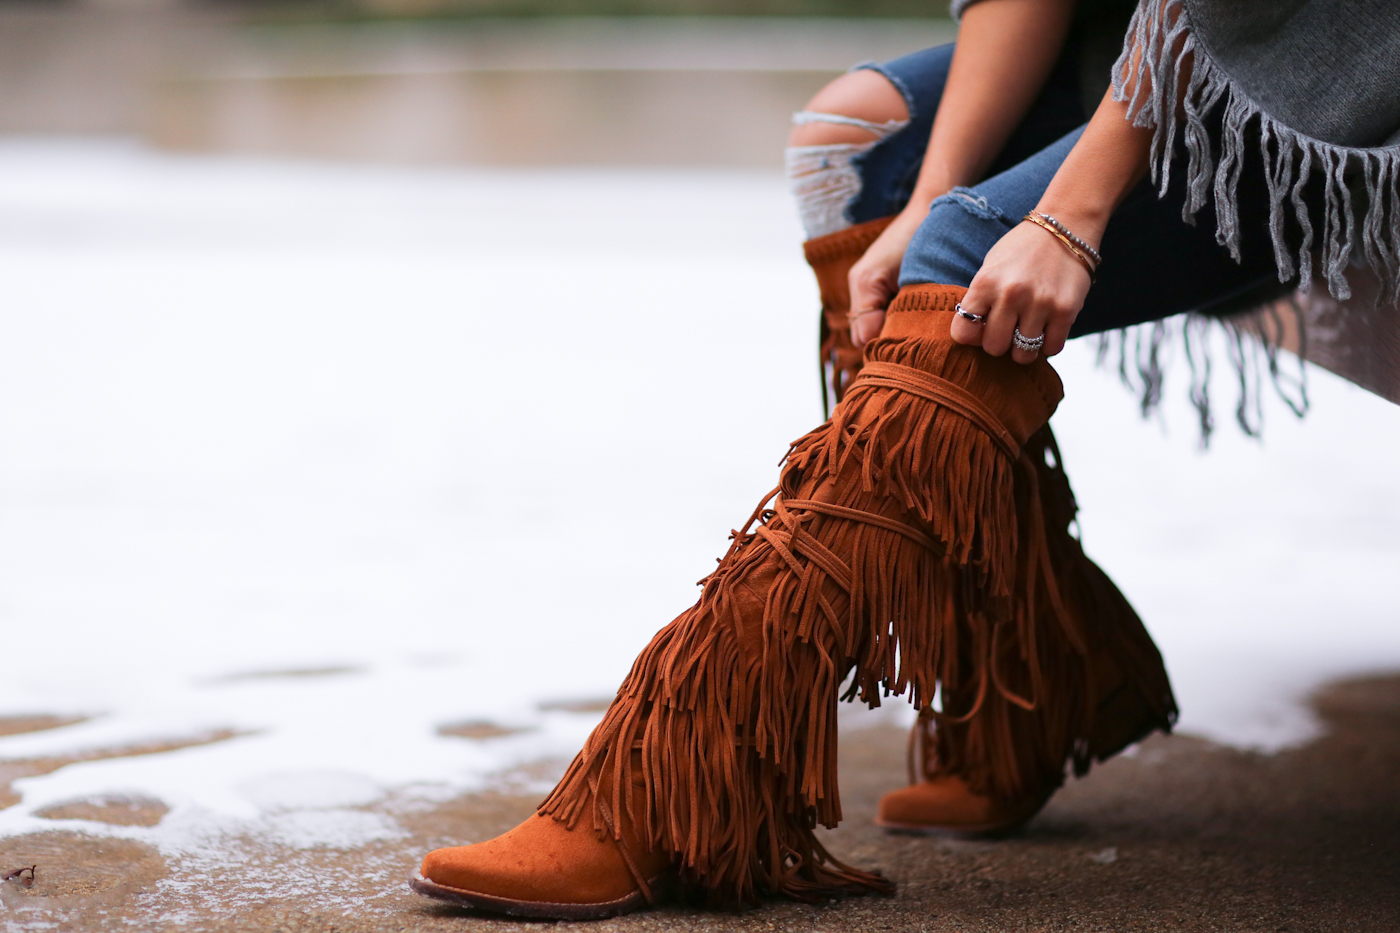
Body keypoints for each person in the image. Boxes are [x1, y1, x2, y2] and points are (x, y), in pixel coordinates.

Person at [409, 0, 1400, 919]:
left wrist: (1065, 214)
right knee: (859, 148)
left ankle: (679, 772)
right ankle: (1015, 691)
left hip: (1315, 49)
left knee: (969, 251)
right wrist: (927, 203)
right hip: (1146, 43)